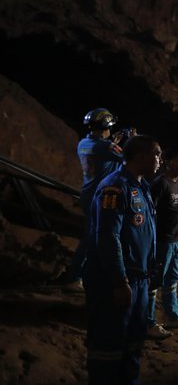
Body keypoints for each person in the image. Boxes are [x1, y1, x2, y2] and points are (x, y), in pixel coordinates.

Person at [84, 135, 161, 385]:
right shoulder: (114, 188)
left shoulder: (141, 187)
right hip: (114, 279)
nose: (159, 160)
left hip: (138, 279)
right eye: (156, 154)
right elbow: (108, 236)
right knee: (108, 340)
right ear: (140, 156)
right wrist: (119, 280)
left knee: (133, 340)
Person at [63, 108, 128, 292]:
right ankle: (75, 277)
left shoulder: (83, 143)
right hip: (101, 197)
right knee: (95, 239)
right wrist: (130, 139)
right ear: (105, 126)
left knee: (95, 237)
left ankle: (83, 275)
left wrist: (111, 142)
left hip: (88, 194)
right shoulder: (105, 147)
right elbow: (127, 158)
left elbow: (103, 153)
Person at [146, 150, 178, 340]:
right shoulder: (160, 184)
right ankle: (148, 322)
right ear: (168, 162)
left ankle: (172, 316)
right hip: (164, 241)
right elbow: (151, 212)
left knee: (172, 280)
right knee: (155, 281)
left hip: (176, 241)